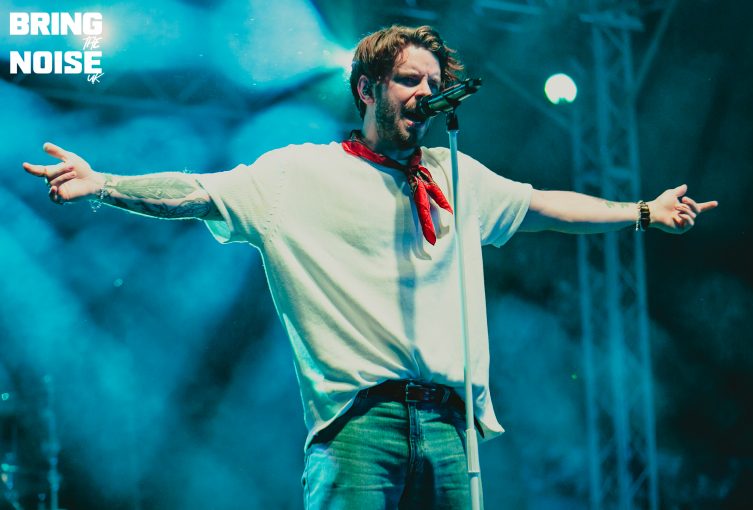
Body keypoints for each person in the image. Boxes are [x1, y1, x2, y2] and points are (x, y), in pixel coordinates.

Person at [22, 24, 717, 510]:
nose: (424, 92)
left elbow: (543, 205)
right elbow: (196, 191)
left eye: (434, 82)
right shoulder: (298, 174)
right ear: (366, 89)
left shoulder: (456, 174)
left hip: (451, 429)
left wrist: (643, 211)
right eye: (408, 79)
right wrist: (104, 183)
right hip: (358, 428)